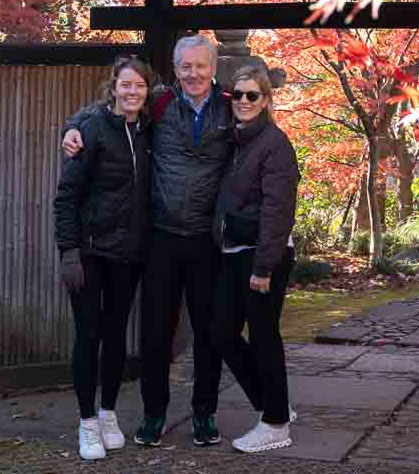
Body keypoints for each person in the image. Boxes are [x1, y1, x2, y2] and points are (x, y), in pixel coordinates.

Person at [62, 34, 230, 449]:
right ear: (175, 68)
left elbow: (262, 124)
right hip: (161, 238)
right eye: (185, 66)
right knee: (155, 333)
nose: (193, 73)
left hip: (207, 238)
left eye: (200, 66)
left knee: (208, 331)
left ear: (213, 67)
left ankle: (204, 414)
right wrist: (71, 127)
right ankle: (154, 415)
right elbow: (109, 108)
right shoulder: (159, 103)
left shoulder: (230, 106)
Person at [54, 55, 154, 462]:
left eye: (140, 86)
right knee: (89, 335)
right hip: (90, 253)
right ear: (113, 87)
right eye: (125, 85)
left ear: (148, 91)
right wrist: (69, 252)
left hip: (127, 256)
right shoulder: (92, 129)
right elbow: (66, 197)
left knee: (116, 337)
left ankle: (109, 413)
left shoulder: (149, 128)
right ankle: (86, 423)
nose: (132, 92)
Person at [211, 65, 299, 453]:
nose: (243, 102)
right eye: (237, 95)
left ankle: (276, 424)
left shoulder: (274, 143)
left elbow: (278, 210)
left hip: (264, 256)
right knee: (221, 333)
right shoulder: (237, 140)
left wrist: (264, 266)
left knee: (263, 336)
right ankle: (272, 404)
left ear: (266, 99)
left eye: (252, 95)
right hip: (235, 251)